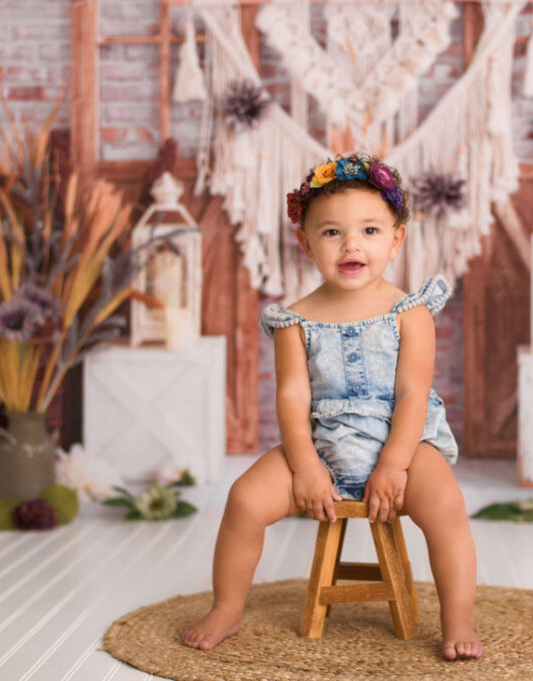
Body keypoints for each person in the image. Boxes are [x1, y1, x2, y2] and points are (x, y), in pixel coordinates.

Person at [181, 152, 482, 661]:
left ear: (396, 239)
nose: (352, 245)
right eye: (332, 233)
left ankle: (458, 618)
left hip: (403, 443)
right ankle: (227, 606)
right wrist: (304, 468)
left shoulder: (411, 314)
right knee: (244, 500)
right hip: (321, 446)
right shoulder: (294, 320)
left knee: (447, 506)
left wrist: (394, 465)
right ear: (305, 243)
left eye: (368, 230)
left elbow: (412, 395)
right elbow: (293, 399)